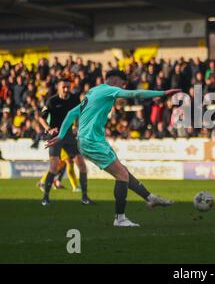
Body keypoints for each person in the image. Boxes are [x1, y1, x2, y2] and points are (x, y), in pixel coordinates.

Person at [46, 70, 180, 227]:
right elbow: (135, 94)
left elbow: (71, 113)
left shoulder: (93, 91)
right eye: (122, 85)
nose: (122, 88)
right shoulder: (109, 90)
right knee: (122, 175)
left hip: (93, 140)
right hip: (91, 141)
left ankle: (149, 198)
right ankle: (120, 218)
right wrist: (163, 92)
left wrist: (62, 135)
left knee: (123, 171)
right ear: (116, 80)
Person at [37, 79, 91, 205]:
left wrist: (77, 126)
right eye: (64, 87)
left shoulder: (74, 99)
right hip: (55, 136)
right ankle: (45, 198)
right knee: (54, 166)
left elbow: (79, 114)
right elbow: (41, 117)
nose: (66, 89)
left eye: (68, 87)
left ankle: (85, 197)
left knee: (81, 164)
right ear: (58, 88)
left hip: (69, 135)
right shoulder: (52, 101)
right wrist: (48, 129)